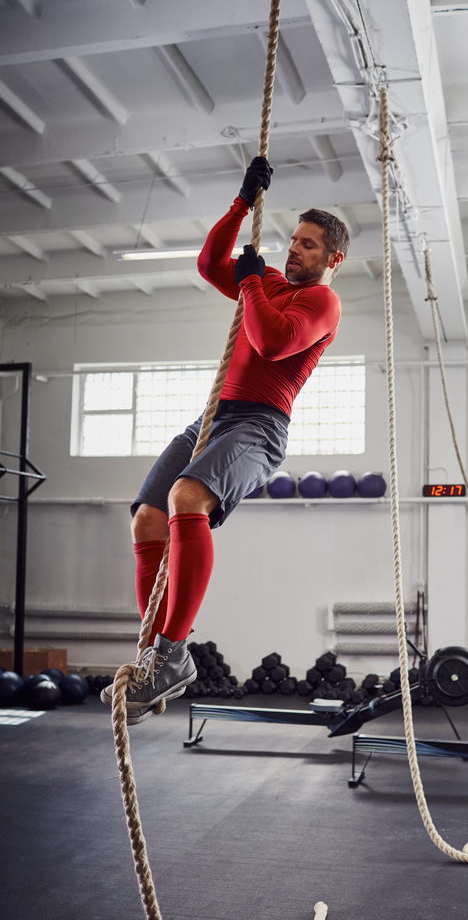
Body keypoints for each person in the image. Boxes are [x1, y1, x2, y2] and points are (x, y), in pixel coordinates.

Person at [101, 156, 349, 723]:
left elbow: (270, 342)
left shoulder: (321, 302)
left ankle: (172, 654)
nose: (293, 249)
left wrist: (253, 283)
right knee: (145, 518)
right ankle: (151, 657)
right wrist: (242, 202)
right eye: (294, 240)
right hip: (212, 419)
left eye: (308, 245)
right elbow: (209, 261)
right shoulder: (269, 284)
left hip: (259, 426)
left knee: (187, 500)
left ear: (332, 258)